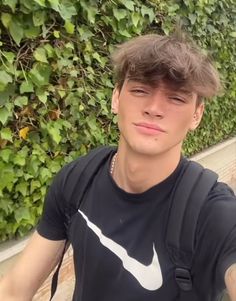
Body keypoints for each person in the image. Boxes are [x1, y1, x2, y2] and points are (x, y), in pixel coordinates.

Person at [0, 31, 236, 301]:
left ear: (197, 115)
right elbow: (15, 288)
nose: (154, 108)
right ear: (115, 98)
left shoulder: (214, 213)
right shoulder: (80, 178)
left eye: (177, 98)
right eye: (140, 90)